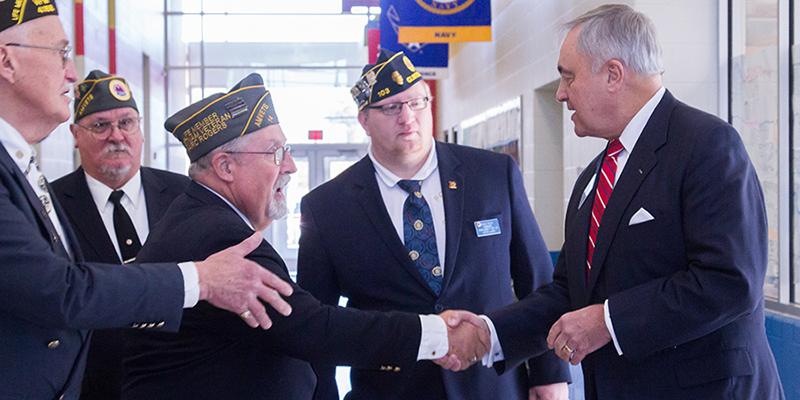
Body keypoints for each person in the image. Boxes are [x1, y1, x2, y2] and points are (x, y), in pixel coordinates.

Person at [442, 4, 785, 400]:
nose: (561, 94)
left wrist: (609, 321)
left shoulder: (706, 145)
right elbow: (570, 293)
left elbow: (730, 281)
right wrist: (491, 333)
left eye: (568, 77)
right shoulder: (594, 177)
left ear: (613, 74)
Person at [121, 72, 486, 400]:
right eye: (276, 153)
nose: (291, 166)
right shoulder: (221, 237)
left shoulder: (200, 217)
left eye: (288, 151)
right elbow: (313, 327)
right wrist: (437, 334)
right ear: (225, 167)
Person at [0, 3, 295, 399]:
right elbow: (60, 291)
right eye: (60, 53)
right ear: (7, 60)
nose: (71, 71)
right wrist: (200, 278)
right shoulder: (44, 188)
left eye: (127, 123)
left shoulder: (184, 196)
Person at [296, 49, 570, 400]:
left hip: (493, 387)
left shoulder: (492, 174)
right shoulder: (327, 207)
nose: (407, 117)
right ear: (363, 120)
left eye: (417, 102)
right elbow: (317, 327)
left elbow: (538, 281)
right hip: (391, 391)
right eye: (391, 107)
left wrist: (550, 377)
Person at [51, 70, 190, 400]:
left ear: (140, 131)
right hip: (94, 386)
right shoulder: (52, 205)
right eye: (100, 125)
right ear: (75, 134)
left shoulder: (183, 195)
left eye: (126, 122)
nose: (116, 135)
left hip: (181, 380)